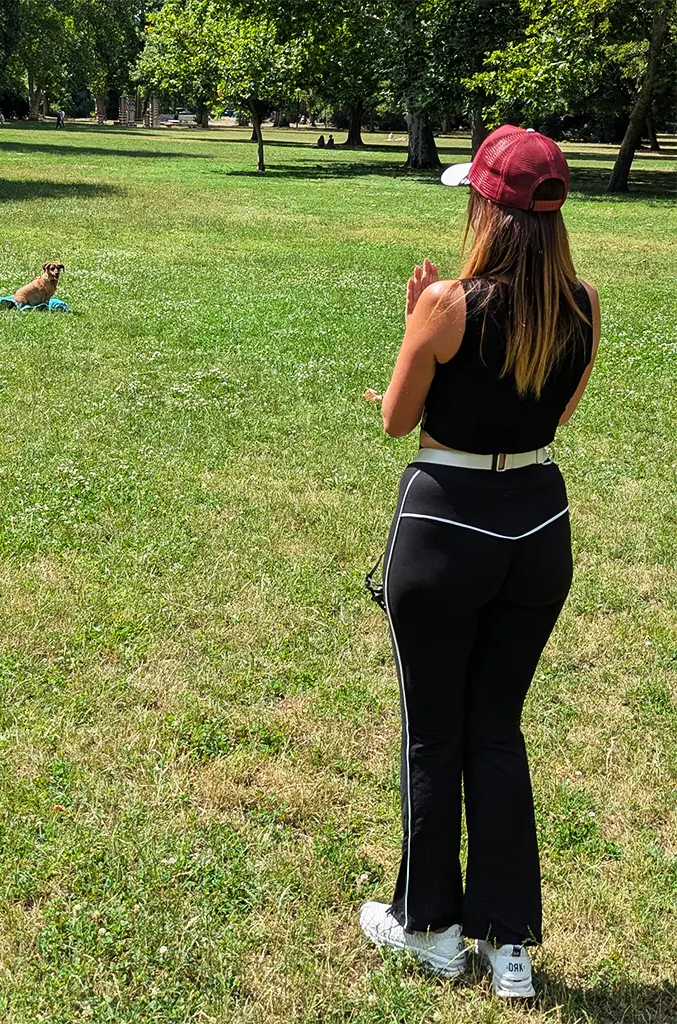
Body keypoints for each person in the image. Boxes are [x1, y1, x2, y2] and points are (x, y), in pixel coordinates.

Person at [358, 125, 600, 999]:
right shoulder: (584, 303)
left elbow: (397, 420)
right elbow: (556, 414)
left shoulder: (447, 303)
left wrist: (414, 326)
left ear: (486, 210)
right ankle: (509, 947)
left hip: (445, 526)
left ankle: (430, 928)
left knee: (434, 731)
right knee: (497, 729)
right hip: (538, 527)